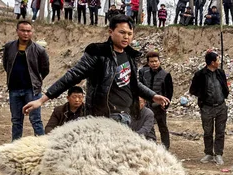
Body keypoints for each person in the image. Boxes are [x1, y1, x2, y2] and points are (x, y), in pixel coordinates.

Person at [22, 15, 169, 126]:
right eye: (122, 32)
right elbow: (73, 75)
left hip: (126, 116)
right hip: (104, 116)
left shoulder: (130, 55)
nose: (126, 37)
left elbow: (133, 83)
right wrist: (42, 99)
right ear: (110, 31)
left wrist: (153, 96)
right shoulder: (98, 52)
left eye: (130, 34)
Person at [3, 21, 49, 142]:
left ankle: (42, 146)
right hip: (14, 89)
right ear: (17, 31)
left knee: (36, 120)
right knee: (16, 121)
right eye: (23, 30)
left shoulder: (39, 50)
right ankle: (15, 146)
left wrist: (36, 81)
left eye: (28, 31)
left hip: (32, 90)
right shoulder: (9, 47)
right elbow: (6, 65)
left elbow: (45, 69)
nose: (26, 33)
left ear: (32, 32)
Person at [189, 51, 229, 165]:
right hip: (207, 107)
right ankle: (209, 153)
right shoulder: (200, 75)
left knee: (220, 131)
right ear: (212, 62)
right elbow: (193, 90)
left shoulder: (220, 73)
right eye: (217, 60)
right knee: (208, 131)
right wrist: (203, 96)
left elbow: (224, 86)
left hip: (221, 106)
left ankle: (218, 154)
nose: (219, 62)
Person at [138, 51, 173, 149]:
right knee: (148, 127)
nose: (154, 63)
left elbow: (169, 93)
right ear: (148, 63)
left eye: (156, 61)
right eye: (151, 62)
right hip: (146, 106)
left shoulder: (166, 75)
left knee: (163, 127)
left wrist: (165, 105)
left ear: (159, 61)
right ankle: (150, 146)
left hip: (159, 106)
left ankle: (165, 148)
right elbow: (140, 88)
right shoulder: (143, 73)